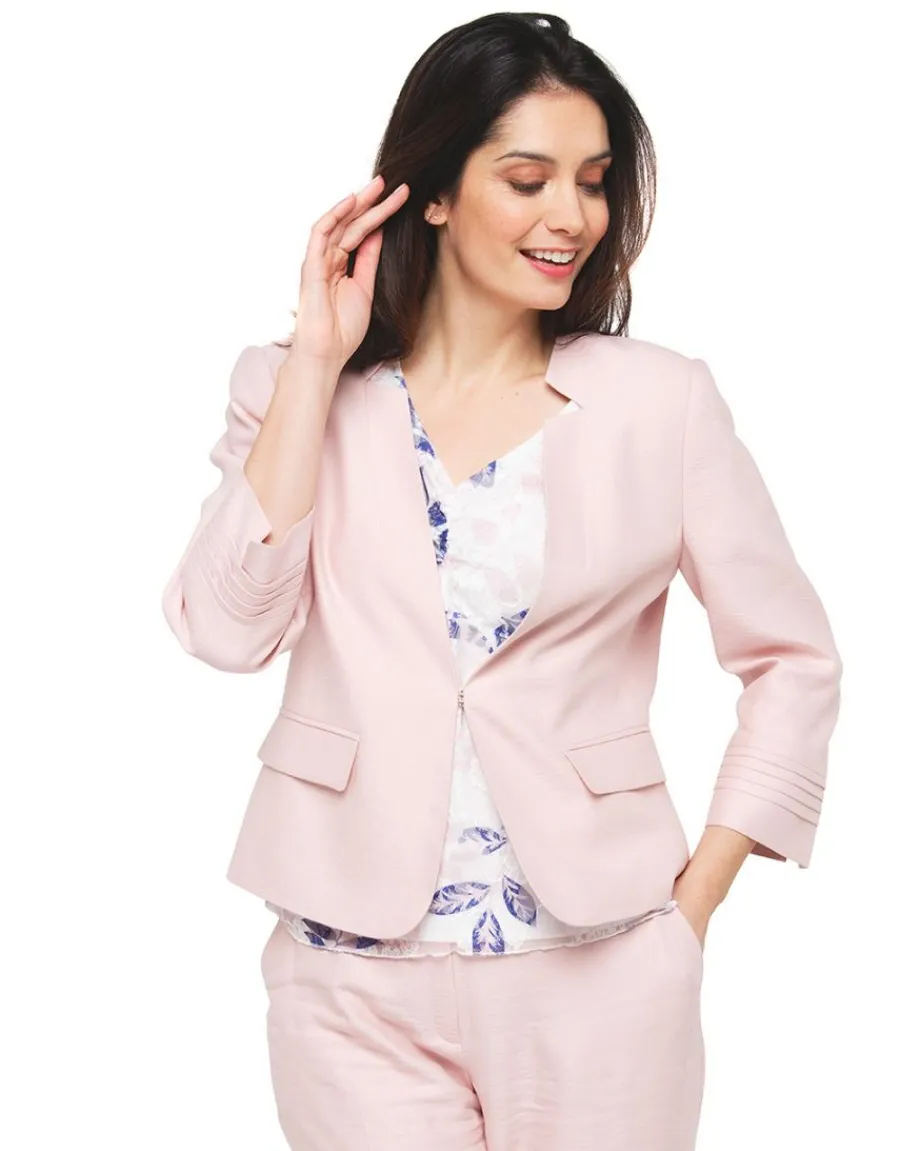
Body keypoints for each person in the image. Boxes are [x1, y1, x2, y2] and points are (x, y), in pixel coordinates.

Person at [161, 12, 842, 1150]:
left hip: (602, 964)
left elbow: (794, 658)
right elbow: (227, 631)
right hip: (348, 979)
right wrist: (318, 361)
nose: (571, 216)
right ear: (432, 192)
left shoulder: (661, 401)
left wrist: (695, 904)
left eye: (593, 182)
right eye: (527, 180)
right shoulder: (290, 390)